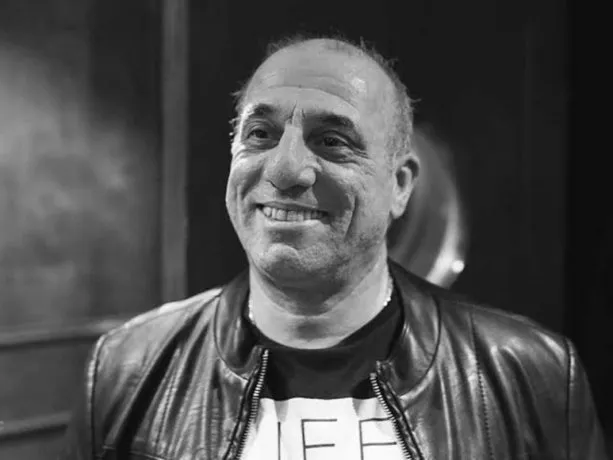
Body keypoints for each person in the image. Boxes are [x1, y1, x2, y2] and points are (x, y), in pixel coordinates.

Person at [61, 34, 608, 460]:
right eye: (260, 134)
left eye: (331, 141)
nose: (285, 169)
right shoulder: (127, 370)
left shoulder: (531, 374)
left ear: (400, 186)